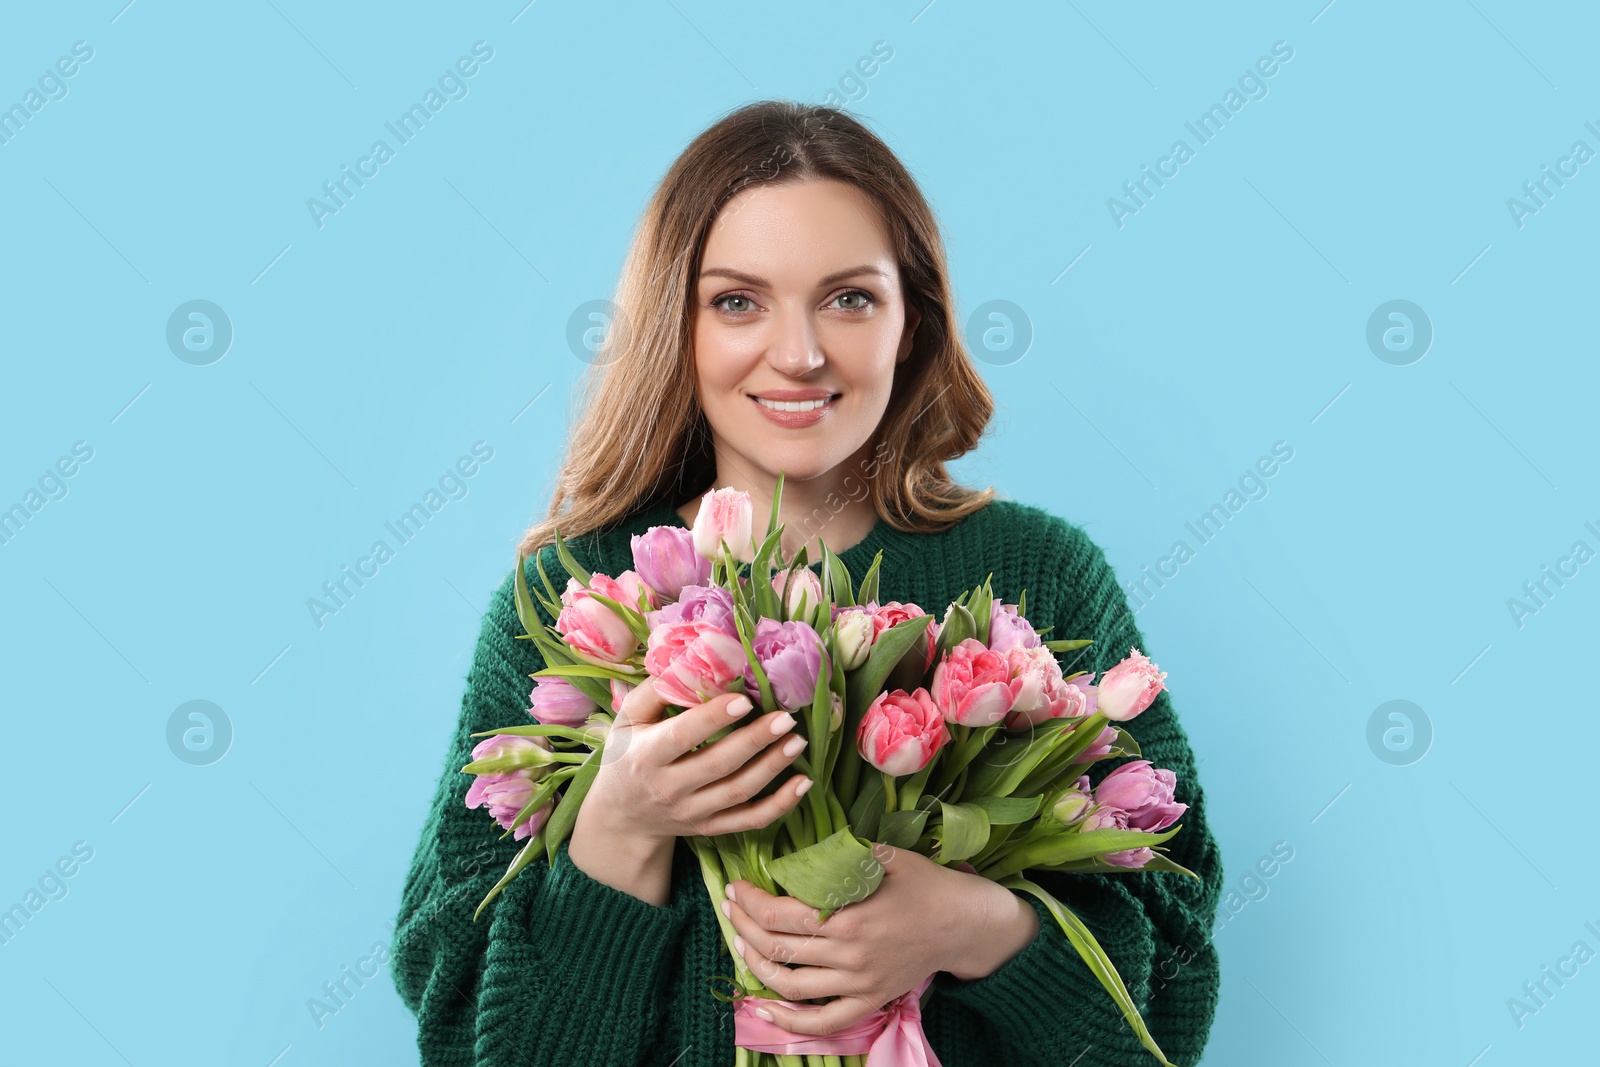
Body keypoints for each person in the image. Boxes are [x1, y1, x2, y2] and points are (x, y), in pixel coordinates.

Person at [391, 99, 1222, 1066]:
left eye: (850, 298)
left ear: (913, 322)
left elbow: (1174, 995)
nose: (800, 353)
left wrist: (977, 928)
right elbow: (461, 1032)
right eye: (738, 300)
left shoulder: (1040, 573)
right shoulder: (572, 598)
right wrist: (617, 831)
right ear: (676, 324)